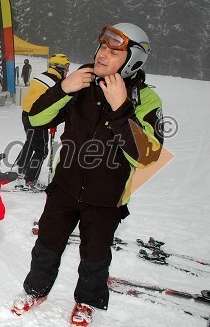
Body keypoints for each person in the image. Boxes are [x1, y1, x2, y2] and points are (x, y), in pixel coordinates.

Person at [11, 23, 163, 327]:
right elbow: (36, 119)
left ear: (132, 60)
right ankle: (36, 291)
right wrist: (63, 88)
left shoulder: (146, 100)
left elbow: (147, 157)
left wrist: (121, 109)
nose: (103, 54)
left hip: (106, 198)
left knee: (95, 257)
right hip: (64, 187)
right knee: (46, 245)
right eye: (102, 47)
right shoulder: (82, 82)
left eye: (113, 51)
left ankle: (86, 302)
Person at [15, 54, 70, 191]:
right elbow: (59, 103)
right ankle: (30, 180)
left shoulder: (40, 76)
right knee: (41, 150)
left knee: (31, 142)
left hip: (25, 115)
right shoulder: (56, 84)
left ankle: (21, 169)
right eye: (66, 68)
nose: (67, 72)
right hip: (38, 119)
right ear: (60, 68)